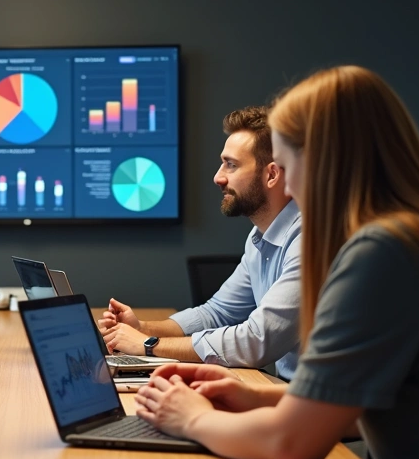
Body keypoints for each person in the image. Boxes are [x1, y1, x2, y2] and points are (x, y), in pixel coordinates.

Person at [136, 66, 419, 459]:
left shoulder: (383, 252)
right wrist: (259, 396)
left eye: (286, 166)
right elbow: (390, 401)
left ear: (321, 163)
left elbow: (291, 444)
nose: (291, 190)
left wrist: (190, 419)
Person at [100, 106, 302, 380]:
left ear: (272, 175)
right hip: (291, 397)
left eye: (231, 165)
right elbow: (217, 312)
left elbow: (257, 341)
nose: (218, 177)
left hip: (322, 412)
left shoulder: (309, 240)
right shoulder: (258, 238)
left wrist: (148, 346)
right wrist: (144, 328)